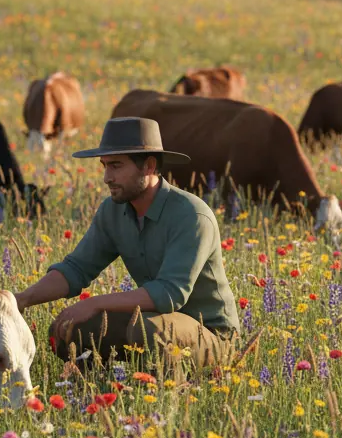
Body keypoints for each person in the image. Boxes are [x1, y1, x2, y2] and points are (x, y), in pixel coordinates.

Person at [15, 117, 241, 369]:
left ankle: (169, 397)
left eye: (116, 166)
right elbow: (76, 269)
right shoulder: (113, 211)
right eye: (104, 166)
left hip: (211, 335)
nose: (106, 177)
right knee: (71, 329)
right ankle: (98, 390)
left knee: (148, 331)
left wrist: (94, 303)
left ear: (149, 166)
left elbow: (170, 294)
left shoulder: (191, 215)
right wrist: (21, 299)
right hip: (155, 321)